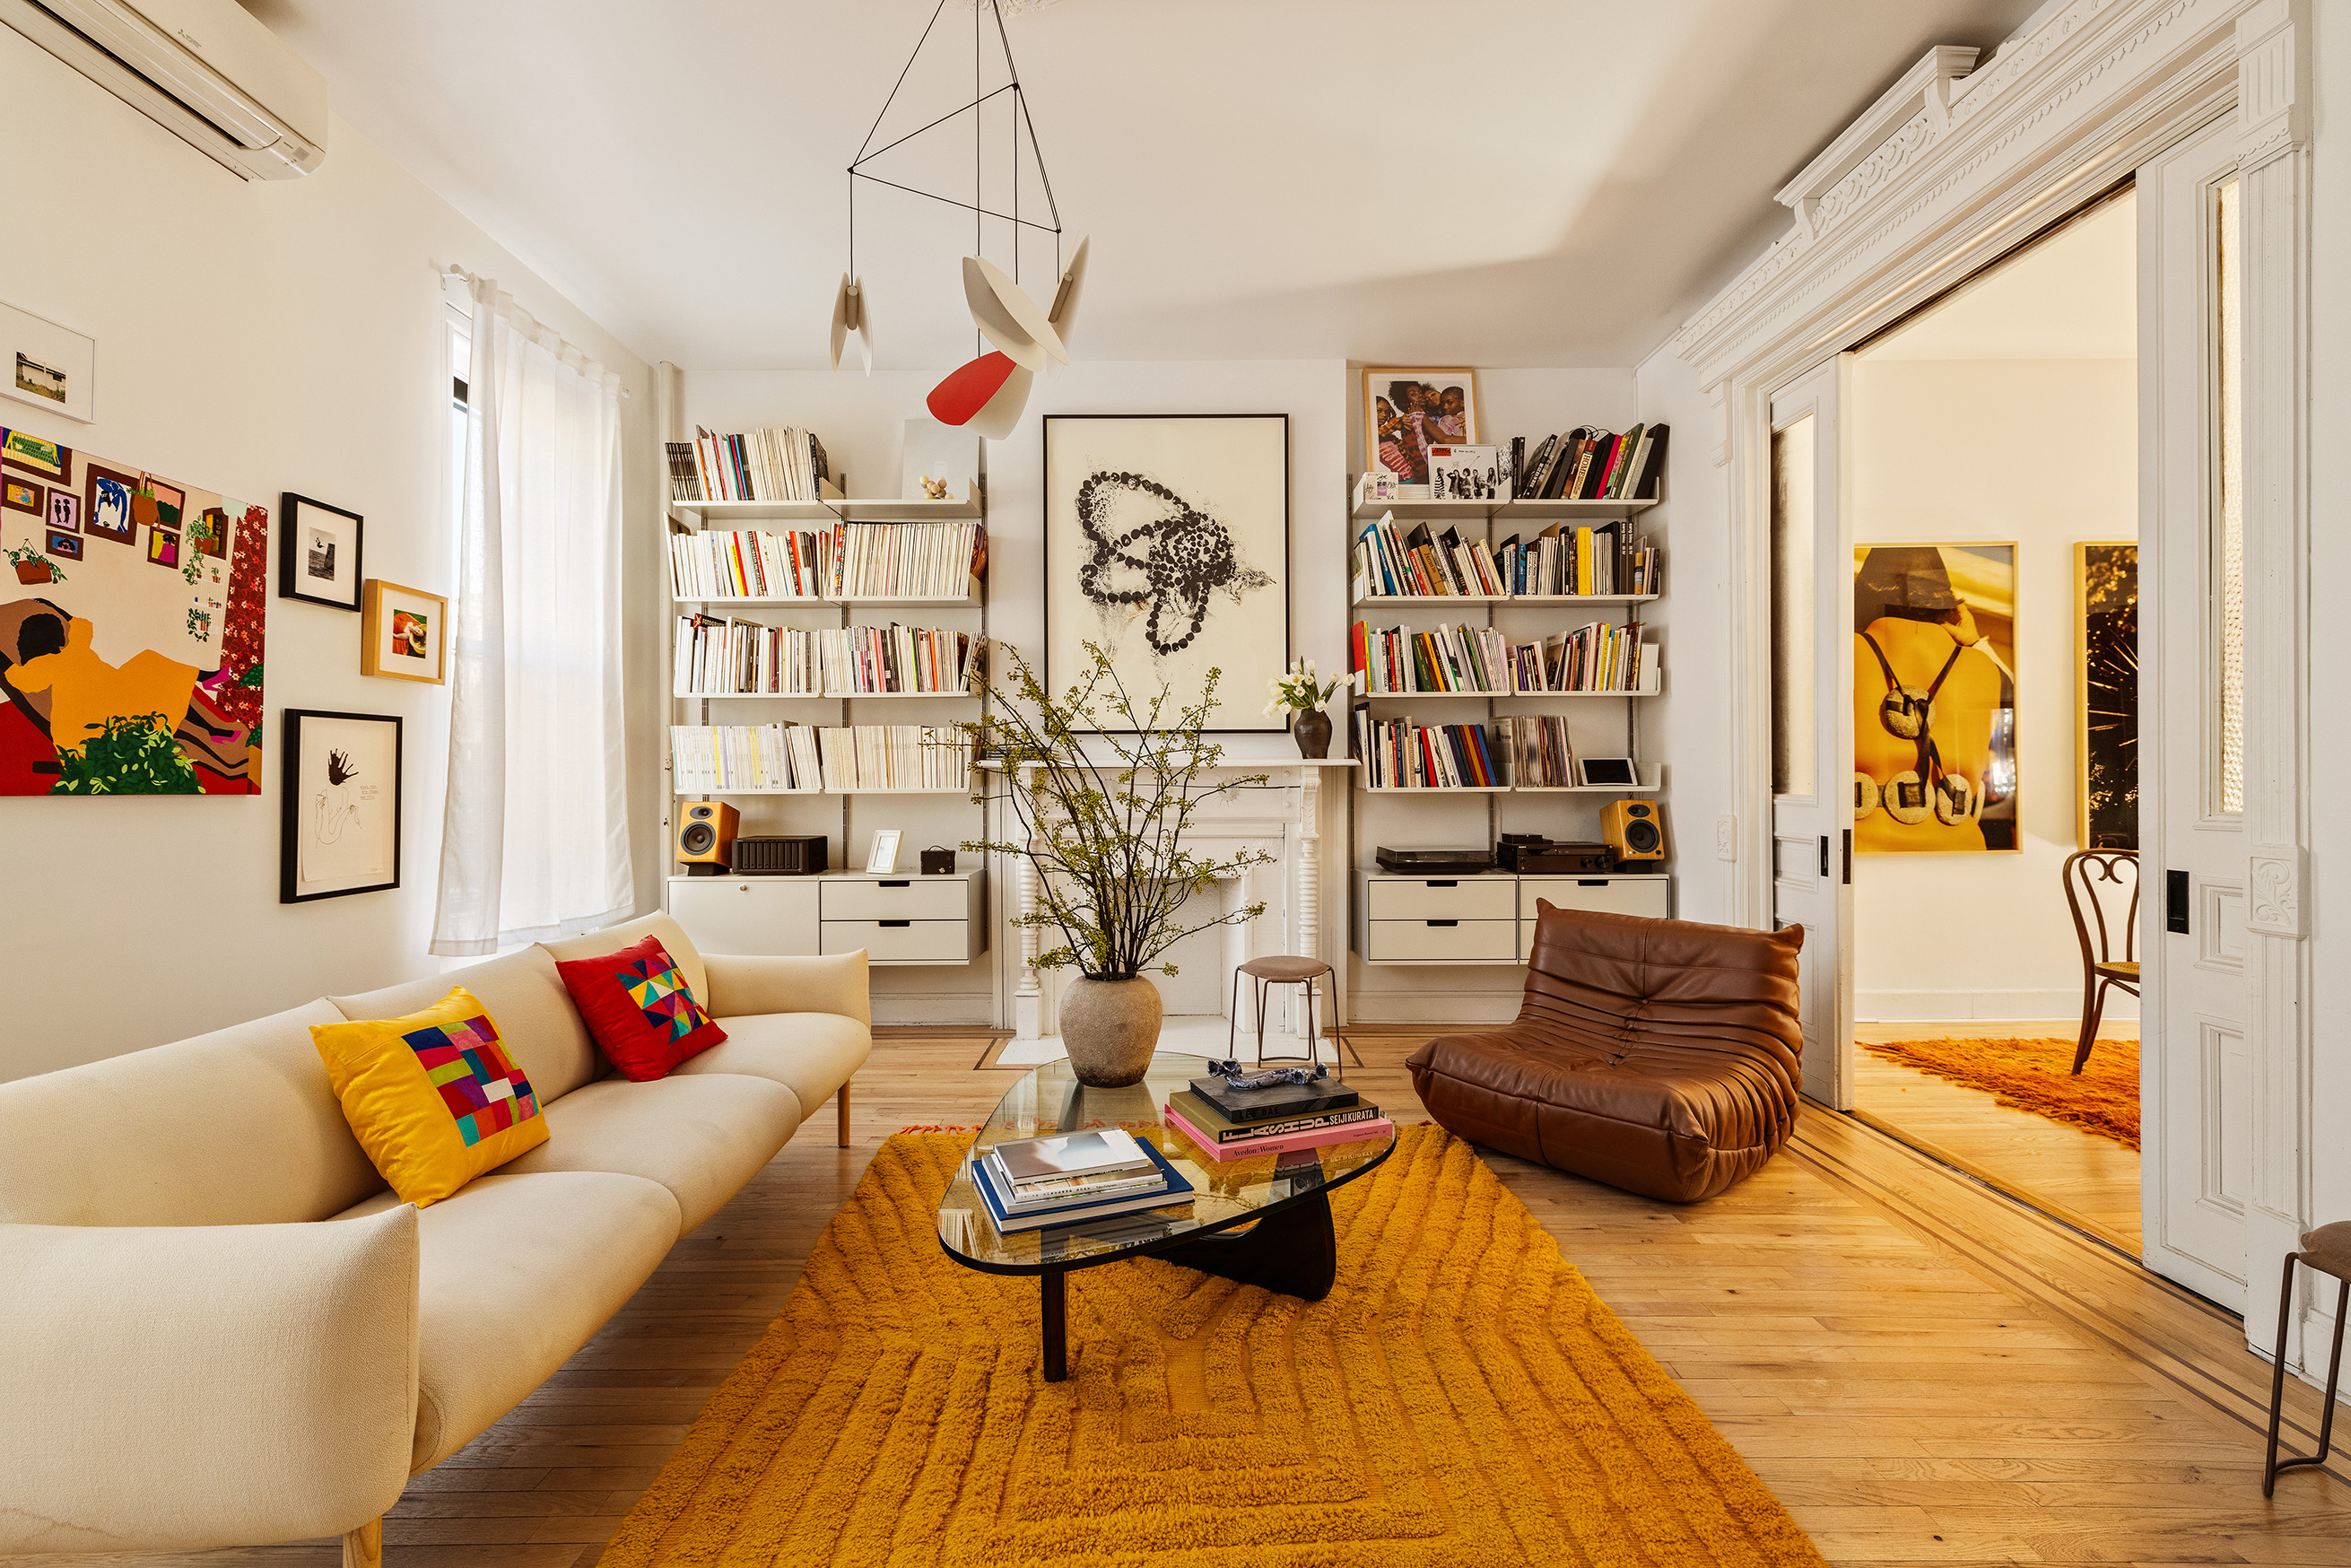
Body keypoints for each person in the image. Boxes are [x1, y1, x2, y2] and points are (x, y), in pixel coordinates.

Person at [1851, 547, 2007, 852]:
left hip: (1863, 849)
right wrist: (1977, 643)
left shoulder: (1842, 654)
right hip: (1962, 851)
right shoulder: (1984, 667)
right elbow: (2021, 702)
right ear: (1949, 608)